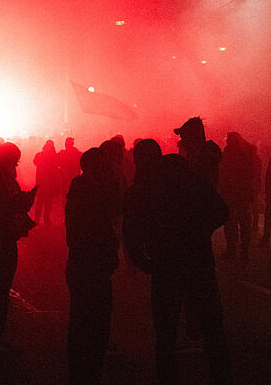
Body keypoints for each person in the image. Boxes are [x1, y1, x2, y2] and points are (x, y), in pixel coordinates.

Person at [125, 121, 231, 385]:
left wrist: (142, 259)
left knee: (166, 333)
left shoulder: (145, 186)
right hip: (199, 262)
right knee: (213, 330)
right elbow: (221, 211)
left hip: (166, 265)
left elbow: (132, 226)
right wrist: (198, 233)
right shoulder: (191, 177)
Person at [65, 147, 122, 385]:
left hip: (91, 265)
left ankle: (85, 370)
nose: (106, 166)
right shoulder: (84, 191)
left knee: (89, 322)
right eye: (101, 163)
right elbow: (85, 232)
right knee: (88, 323)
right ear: (90, 166)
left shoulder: (91, 188)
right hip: (88, 266)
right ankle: (84, 373)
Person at [0, 142, 37, 353]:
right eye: (14, 161)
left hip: (6, 237)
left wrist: (24, 201)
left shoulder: (6, 176)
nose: (16, 165)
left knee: (1, 288)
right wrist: (17, 202)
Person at [218, 132, 254, 260]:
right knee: (243, 223)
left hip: (233, 194)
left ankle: (233, 250)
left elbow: (224, 172)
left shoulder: (230, 153)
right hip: (241, 194)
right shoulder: (245, 153)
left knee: (231, 223)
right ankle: (243, 250)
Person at [33, 140, 62, 227]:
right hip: (44, 181)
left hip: (47, 182)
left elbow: (56, 167)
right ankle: (38, 219)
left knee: (46, 202)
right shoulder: (41, 155)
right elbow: (36, 162)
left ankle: (44, 219)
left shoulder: (51, 156)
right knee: (42, 202)